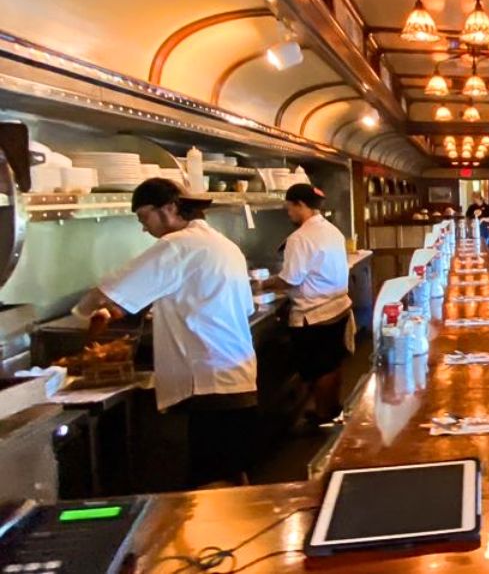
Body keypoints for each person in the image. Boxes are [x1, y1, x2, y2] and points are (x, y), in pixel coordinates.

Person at [75, 178, 257, 487]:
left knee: (211, 482)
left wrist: (83, 318)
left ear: (170, 208)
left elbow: (108, 292)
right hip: (234, 375)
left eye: (143, 217)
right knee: (230, 472)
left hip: (207, 382)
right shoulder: (223, 244)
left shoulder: (178, 245)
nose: (143, 228)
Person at [259, 184, 353, 427]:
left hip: (315, 313)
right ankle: (331, 408)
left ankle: (323, 415)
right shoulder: (332, 230)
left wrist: (261, 284)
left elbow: (289, 279)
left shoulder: (299, 238)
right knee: (332, 363)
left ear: (300, 204)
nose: (288, 213)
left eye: (289, 208)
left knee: (320, 369)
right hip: (337, 308)